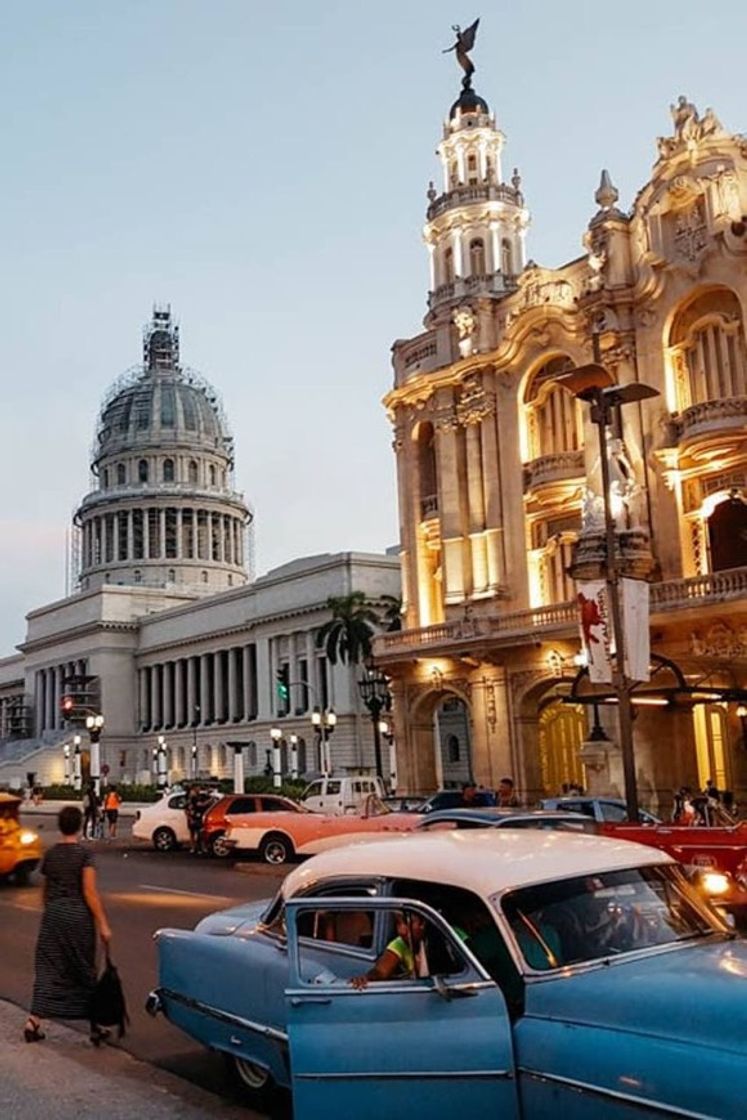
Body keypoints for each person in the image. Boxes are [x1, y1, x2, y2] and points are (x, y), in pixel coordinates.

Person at [24, 805, 112, 1045]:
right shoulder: (84, 855)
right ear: (80, 826)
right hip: (78, 918)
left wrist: (51, 909)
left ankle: (33, 1021)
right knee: (83, 969)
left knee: (48, 968)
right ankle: (94, 1027)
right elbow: (89, 892)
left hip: (53, 917)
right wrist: (103, 923)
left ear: (60, 826)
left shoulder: (51, 854)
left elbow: (45, 888)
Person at [350, 911, 429, 989]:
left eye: (407, 922)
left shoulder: (434, 943)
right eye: (398, 923)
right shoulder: (399, 943)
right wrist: (367, 978)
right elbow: (380, 971)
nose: (401, 931)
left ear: (423, 924)